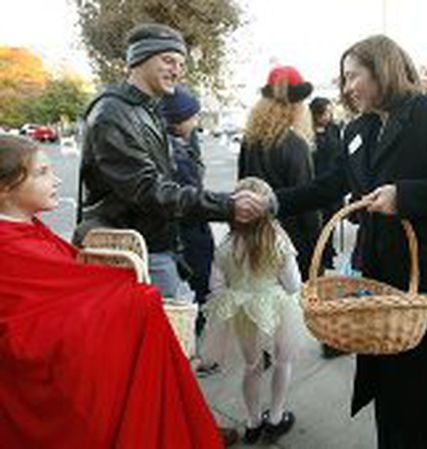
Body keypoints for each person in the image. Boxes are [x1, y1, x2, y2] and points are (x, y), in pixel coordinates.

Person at [275, 35, 427, 449]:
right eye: (345, 79)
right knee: (386, 384)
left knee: (419, 396)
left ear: (382, 67)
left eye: (354, 76)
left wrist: (404, 196)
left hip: (419, 279)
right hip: (376, 279)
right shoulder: (359, 128)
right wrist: (273, 202)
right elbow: (331, 184)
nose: (347, 87)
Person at [0, 135, 225, 448]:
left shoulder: (26, 227)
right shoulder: (9, 244)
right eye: (41, 173)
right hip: (42, 398)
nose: (57, 179)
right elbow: (26, 332)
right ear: (5, 187)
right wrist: (134, 299)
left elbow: (70, 284)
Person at [74, 23, 266, 301]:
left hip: (155, 247)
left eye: (180, 63)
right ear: (138, 60)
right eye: (167, 60)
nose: (176, 70)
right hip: (135, 252)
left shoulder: (146, 109)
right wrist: (227, 205)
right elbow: (147, 190)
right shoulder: (113, 114)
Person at [202, 177, 304, 445]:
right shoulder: (278, 240)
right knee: (283, 360)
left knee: (252, 366)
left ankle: (252, 422)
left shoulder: (226, 245)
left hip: (243, 310)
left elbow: (216, 285)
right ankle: (276, 418)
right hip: (279, 309)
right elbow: (293, 284)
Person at [238, 65, 321, 280]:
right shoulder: (295, 144)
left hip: (253, 236)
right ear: (296, 106)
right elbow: (307, 201)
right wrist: (317, 245)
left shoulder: (250, 142)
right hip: (290, 244)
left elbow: (241, 186)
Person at [159, 85, 215, 338]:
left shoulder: (174, 145)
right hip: (190, 234)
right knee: (196, 292)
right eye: (192, 116)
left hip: (183, 233)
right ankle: (193, 344)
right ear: (177, 119)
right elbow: (192, 199)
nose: (195, 121)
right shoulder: (177, 155)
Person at [309, 96, 344, 270]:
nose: (329, 115)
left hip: (333, 179)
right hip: (316, 180)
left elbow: (339, 150)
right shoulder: (308, 131)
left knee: (331, 219)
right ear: (316, 114)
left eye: (330, 112)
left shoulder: (334, 129)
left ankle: (329, 251)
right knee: (318, 222)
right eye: (326, 112)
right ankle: (320, 255)